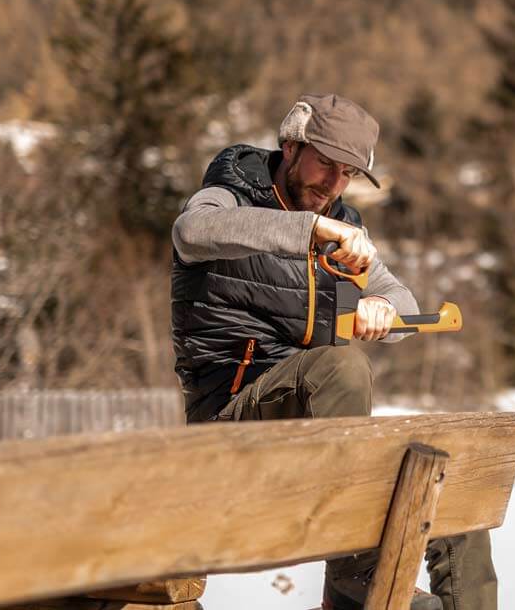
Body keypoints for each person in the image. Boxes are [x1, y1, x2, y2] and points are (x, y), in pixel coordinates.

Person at [170, 93, 496, 610]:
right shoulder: (230, 194)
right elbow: (191, 232)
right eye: (326, 164)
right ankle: (354, 580)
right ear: (291, 145)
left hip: (319, 437)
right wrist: (310, 231)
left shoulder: (344, 229)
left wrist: (384, 310)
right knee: (339, 365)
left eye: (347, 174)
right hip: (231, 423)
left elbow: (400, 296)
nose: (333, 184)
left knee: (449, 489)